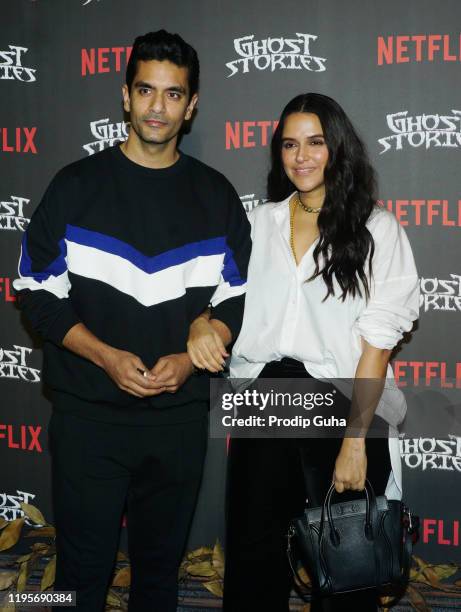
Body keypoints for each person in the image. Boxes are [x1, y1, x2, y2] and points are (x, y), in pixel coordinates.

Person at [13, 29, 251, 612]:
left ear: (191, 106)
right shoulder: (74, 187)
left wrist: (203, 340)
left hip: (178, 419)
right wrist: (105, 356)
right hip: (88, 415)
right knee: (79, 574)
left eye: (173, 95)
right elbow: (36, 292)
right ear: (125, 95)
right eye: (147, 90)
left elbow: (237, 297)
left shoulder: (216, 197)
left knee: (158, 574)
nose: (157, 107)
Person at [187, 93, 419, 611]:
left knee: (348, 569)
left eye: (315, 142)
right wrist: (200, 323)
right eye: (289, 144)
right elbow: (213, 297)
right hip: (263, 398)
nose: (302, 156)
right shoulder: (256, 223)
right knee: (253, 562)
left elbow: (377, 347)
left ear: (339, 148)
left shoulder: (378, 230)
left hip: (344, 400)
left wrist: (355, 442)